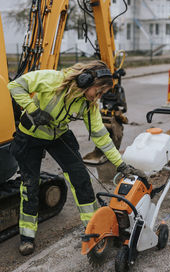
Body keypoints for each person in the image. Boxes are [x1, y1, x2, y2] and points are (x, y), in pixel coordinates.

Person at [8, 60, 144, 256]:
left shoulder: (89, 105)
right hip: (30, 136)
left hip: (58, 136)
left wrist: (121, 165)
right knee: (30, 185)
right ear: (85, 80)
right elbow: (15, 86)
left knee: (81, 177)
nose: (98, 97)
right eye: (98, 91)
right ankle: (27, 236)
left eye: (101, 94)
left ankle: (93, 228)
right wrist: (33, 109)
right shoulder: (53, 80)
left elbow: (101, 137)